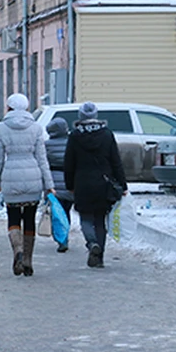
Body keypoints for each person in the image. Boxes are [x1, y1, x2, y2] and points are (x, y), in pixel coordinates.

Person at [0, 93, 55, 276]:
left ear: (9, 107)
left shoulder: (2, 128)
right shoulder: (35, 128)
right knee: (29, 219)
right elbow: (43, 160)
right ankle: (27, 261)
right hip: (33, 177)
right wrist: (48, 185)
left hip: (11, 177)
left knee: (13, 218)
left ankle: (17, 250)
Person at [64, 101, 128, 269]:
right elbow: (116, 161)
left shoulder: (75, 135)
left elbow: (69, 163)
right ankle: (99, 258)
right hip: (103, 182)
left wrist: (69, 184)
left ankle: (92, 243)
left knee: (85, 217)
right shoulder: (107, 134)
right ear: (95, 116)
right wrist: (123, 184)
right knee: (100, 219)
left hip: (82, 182)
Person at [44, 118, 74, 253]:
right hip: (70, 182)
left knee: (57, 212)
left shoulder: (47, 145)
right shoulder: (71, 143)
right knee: (66, 211)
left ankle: (62, 239)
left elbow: (44, 164)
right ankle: (65, 236)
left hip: (54, 182)